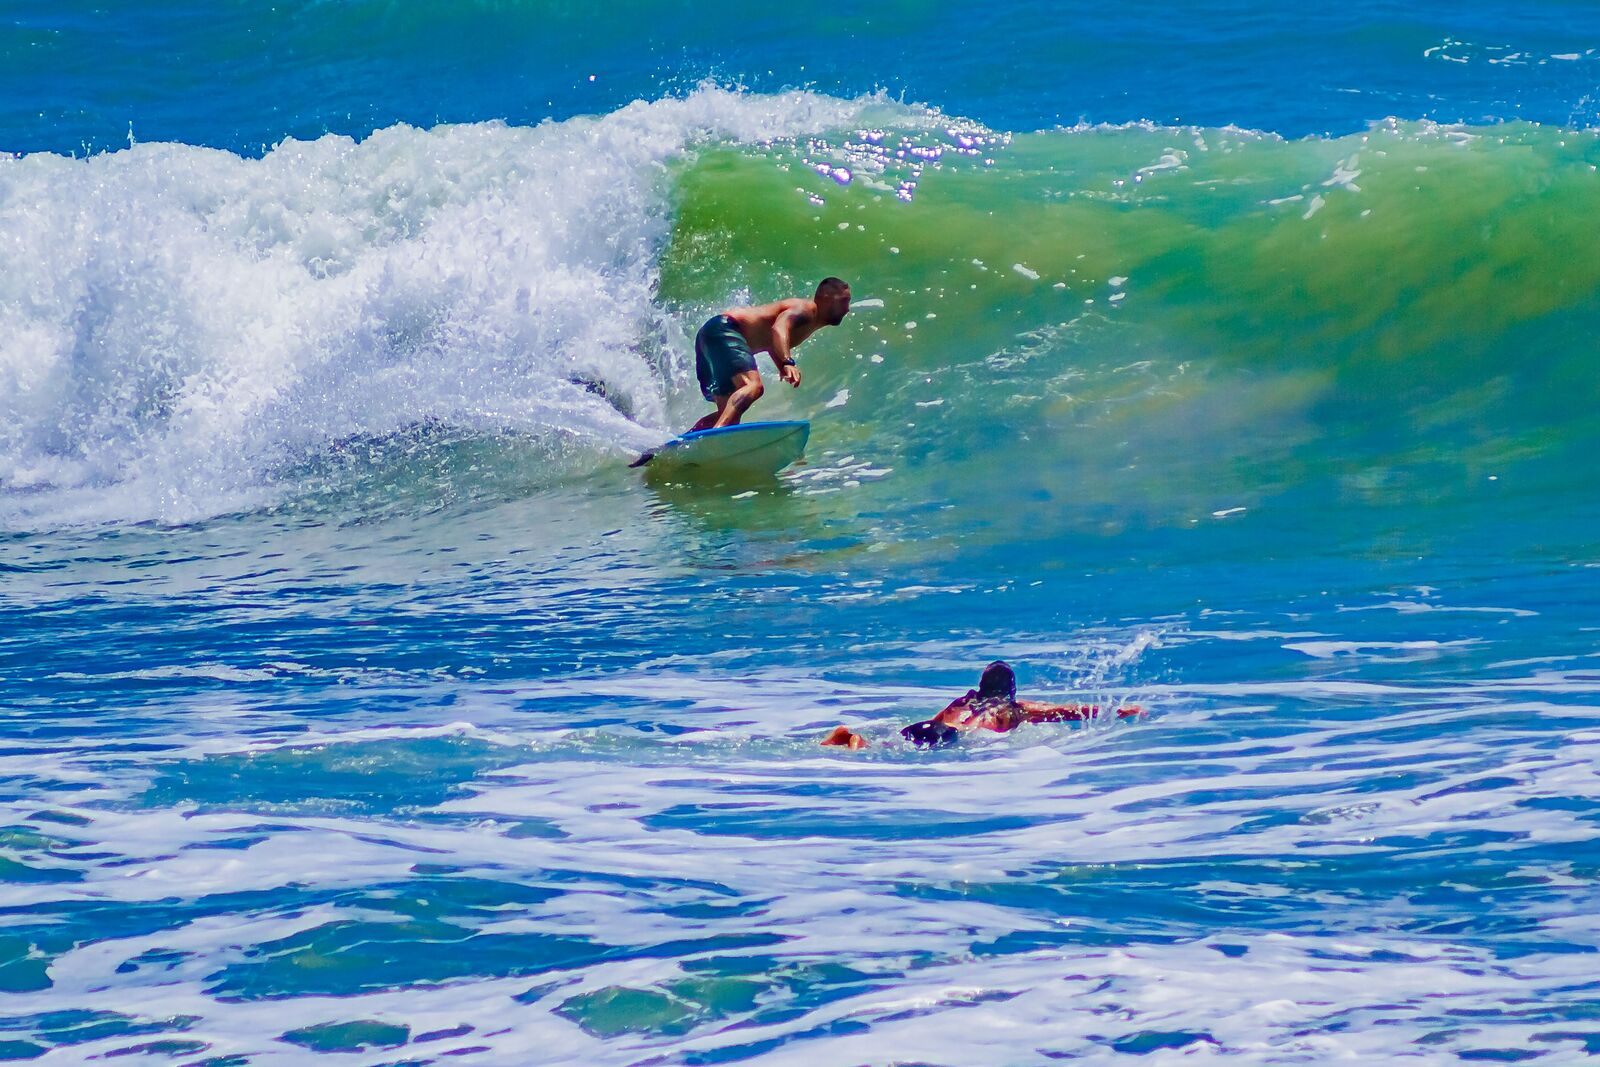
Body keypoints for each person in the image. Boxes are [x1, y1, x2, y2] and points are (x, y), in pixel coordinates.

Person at [820, 661, 1142, 750]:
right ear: (1010, 691)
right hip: (953, 738)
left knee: (890, 745)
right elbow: (1066, 710)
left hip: (932, 728)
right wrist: (1119, 711)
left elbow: (933, 724)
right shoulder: (1013, 709)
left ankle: (851, 738)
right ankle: (855, 743)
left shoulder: (964, 700)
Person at [688, 278, 852, 433]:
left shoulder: (810, 321)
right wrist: (787, 362)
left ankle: (685, 444)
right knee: (753, 386)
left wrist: (781, 366)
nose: (847, 309)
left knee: (727, 413)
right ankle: (717, 437)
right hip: (726, 329)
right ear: (826, 297)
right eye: (844, 301)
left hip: (710, 335)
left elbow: (770, 341)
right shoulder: (807, 309)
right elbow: (779, 328)